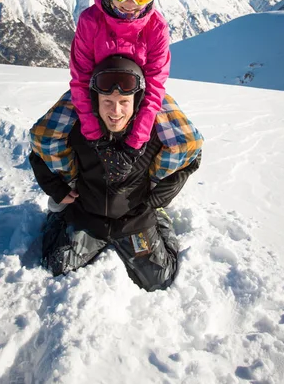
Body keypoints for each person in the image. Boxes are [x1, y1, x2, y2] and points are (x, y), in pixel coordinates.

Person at [29, 56, 203, 292]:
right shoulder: (78, 129)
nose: (116, 110)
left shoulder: (155, 133)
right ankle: (59, 218)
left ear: (137, 101)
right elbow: (38, 154)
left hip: (134, 220)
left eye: (124, 101)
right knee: (57, 265)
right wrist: (57, 190)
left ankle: (160, 220)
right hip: (88, 215)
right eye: (107, 101)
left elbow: (191, 159)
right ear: (95, 100)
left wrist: (159, 198)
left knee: (159, 278)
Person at [70, 0, 170, 176]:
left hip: (141, 95)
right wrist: (95, 136)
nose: (130, 2)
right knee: (45, 136)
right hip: (95, 91)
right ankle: (62, 199)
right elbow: (80, 78)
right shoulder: (90, 21)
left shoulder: (157, 27)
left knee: (187, 141)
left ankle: (155, 194)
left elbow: (156, 85)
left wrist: (135, 144)